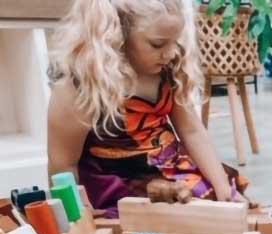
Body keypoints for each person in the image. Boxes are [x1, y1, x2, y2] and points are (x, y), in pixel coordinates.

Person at [47, 0, 247, 218]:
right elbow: (62, 165)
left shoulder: (167, 69)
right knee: (159, 221)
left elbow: (192, 131)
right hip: (117, 183)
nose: (170, 53)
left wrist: (222, 187)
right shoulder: (81, 87)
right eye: (158, 44)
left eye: (174, 41)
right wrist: (78, 218)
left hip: (170, 167)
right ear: (119, 35)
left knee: (216, 202)